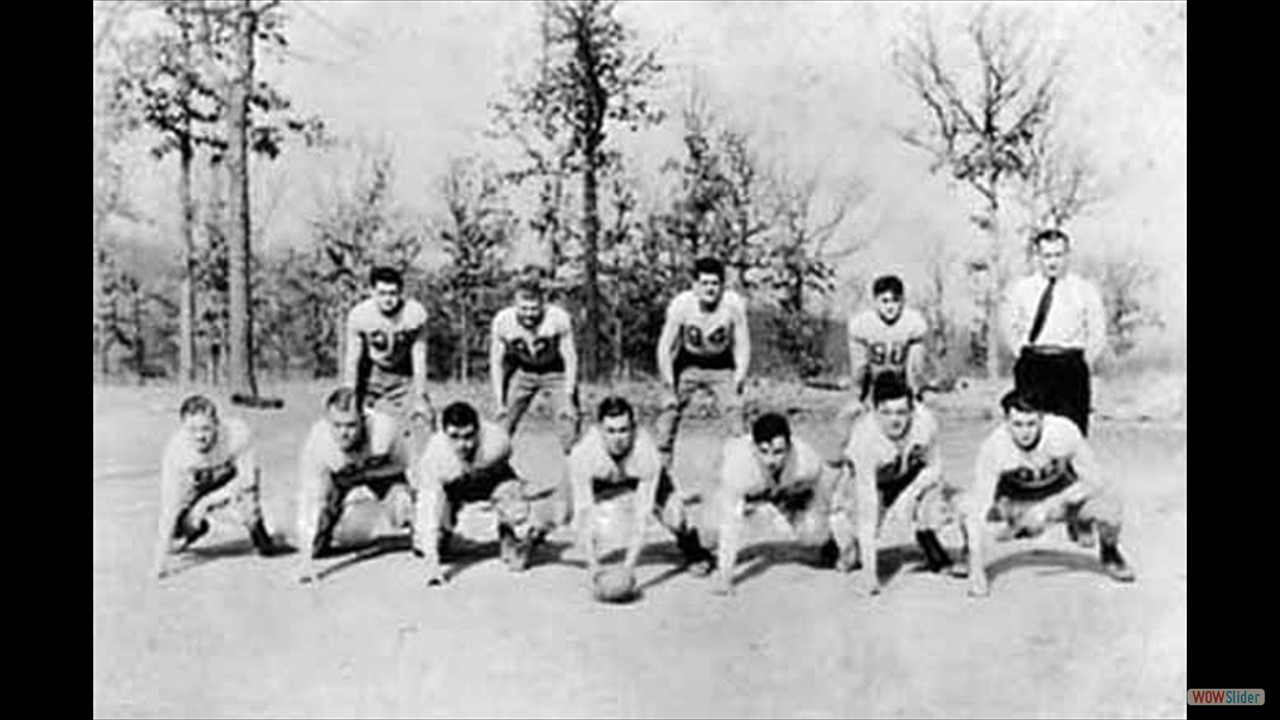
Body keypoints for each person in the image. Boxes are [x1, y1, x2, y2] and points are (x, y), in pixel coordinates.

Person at [961, 390, 1136, 598]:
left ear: (1043, 418)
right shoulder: (994, 447)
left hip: (1059, 502)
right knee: (963, 506)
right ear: (1006, 421)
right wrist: (977, 570)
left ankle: (1110, 552)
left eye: (1031, 424)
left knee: (1109, 507)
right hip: (1015, 506)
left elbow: (1094, 480)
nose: (1024, 432)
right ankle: (969, 557)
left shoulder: (1064, 432)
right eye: (1017, 424)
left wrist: (1049, 506)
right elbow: (979, 505)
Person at [563, 396, 716, 586]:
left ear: (633, 428)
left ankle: (692, 549)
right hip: (600, 476)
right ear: (598, 430)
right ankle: (531, 539)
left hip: (635, 473)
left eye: (623, 430)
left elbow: (642, 518)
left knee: (676, 516)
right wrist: (593, 567)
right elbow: (584, 514)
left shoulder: (646, 452)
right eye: (610, 431)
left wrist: (628, 567)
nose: (617, 438)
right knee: (557, 509)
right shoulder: (583, 454)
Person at [835, 373, 958, 596]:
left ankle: (928, 538)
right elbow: (868, 506)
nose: (895, 420)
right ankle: (852, 548)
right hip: (873, 484)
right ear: (874, 410)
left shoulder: (925, 421)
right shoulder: (864, 438)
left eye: (902, 412)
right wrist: (870, 576)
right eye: (887, 412)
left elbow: (935, 467)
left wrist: (911, 495)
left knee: (935, 501)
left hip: (909, 476)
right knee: (855, 550)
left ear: (912, 408)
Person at [707, 412, 845, 597]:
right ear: (753, 447)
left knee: (814, 534)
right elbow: (730, 521)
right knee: (709, 532)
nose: (771, 460)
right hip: (746, 486)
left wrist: (829, 531)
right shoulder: (737, 466)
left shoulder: (807, 461)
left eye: (778, 452)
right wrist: (725, 576)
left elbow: (824, 496)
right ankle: (696, 551)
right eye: (763, 451)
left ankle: (827, 544)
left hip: (786, 491)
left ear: (790, 446)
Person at [412, 401, 542, 585]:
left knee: (515, 506)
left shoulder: (498, 441)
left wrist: (510, 508)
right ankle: (442, 534)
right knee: (429, 544)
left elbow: (508, 474)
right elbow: (428, 510)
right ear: (443, 433)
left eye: (468, 436)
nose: (463, 444)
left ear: (479, 430)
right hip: (453, 490)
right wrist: (433, 567)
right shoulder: (434, 456)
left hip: (490, 480)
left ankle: (509, 535)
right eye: (454, 437)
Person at [153, 395, 281, 579]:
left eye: (206, 428)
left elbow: (248, 480)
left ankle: (258, 532)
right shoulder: (176, 452)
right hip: (196, 483)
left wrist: (206, 503)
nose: (200, 436)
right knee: (176, 532)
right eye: (192, 430)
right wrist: (160, 563)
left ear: (217, 425)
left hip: (230, 477)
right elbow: (169, 507)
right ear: (183, 428)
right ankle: (194, 529)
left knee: (248, 503)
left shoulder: (237, 434)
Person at [295, 388, 415, 584]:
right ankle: (325, 532)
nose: (344, 433)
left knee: (406, 506)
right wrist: (305, 562)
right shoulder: (318, 442)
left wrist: (421, 518)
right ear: (327, 422)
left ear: (363, 419)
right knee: (315, 545)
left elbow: (408, 466)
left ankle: (421, 536)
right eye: (337, 425)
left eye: (351, 425)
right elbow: (309, 501)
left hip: (379, 473)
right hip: (338, 479)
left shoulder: (384, 429)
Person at [1000, 228, 1106, 436]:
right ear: (1037, 257)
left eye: (1058, 255)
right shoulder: (1022, 289)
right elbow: (1009, 326)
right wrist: (1023, 355)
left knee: (1071, 433)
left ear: (1067, 255)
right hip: (1033, 366)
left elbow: (1097, 332)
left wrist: (1082, 362)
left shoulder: (1084, 290)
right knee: (1030, 432)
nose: (1052, 262)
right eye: (1047, 255)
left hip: (1069, 367)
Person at [654, 257, 752, 469]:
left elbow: (742, 344)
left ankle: (743, 474)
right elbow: (664, 347)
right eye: (705, 283)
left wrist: (739, 379)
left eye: (715, 284)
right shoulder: (682, 304)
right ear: (695, 286)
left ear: (722, 286)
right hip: (688, 363)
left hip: (721, 364)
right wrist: (668, 385)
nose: (710, 289)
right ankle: (660, 476)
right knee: (668, 414)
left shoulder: (733, 305)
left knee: (736, 415)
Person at [488, 272, 581, 453]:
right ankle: (495, 471)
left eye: (534, 309)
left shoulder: (558, 318)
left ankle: (574, 473)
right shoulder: (503, 321)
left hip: (556, 372)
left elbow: (571, 358)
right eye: (524, 308)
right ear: (515, 304)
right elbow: (496, 362)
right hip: (523, 371)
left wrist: (569, 398)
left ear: (543, 304)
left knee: (568, 422)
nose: (529, 314)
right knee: (501, 426)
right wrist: (500, 401)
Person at [838, 274, 930, 445]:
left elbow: (915, 369)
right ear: (875, 301)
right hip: (874, 385)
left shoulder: (913, 323)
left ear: (902, 301)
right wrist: (857, 397)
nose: (890, 306)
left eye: (895, 301)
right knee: (854, 429)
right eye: (884, 301)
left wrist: (915, 396)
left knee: (918, 430)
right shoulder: (861, 325)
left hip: (901, 386)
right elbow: (860, 367)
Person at [344, 265, 435, 434]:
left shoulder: (414, 314)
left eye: (393, 293)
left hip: (403, 375)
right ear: (371, 292)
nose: (388, 299)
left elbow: (419, 355)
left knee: (424, 419)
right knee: (349, 419)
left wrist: (420, 394)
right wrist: (350, 390)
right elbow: (352, 358)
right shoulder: (359, 315)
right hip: (371, 373)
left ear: (401, 292)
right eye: (382, 293)